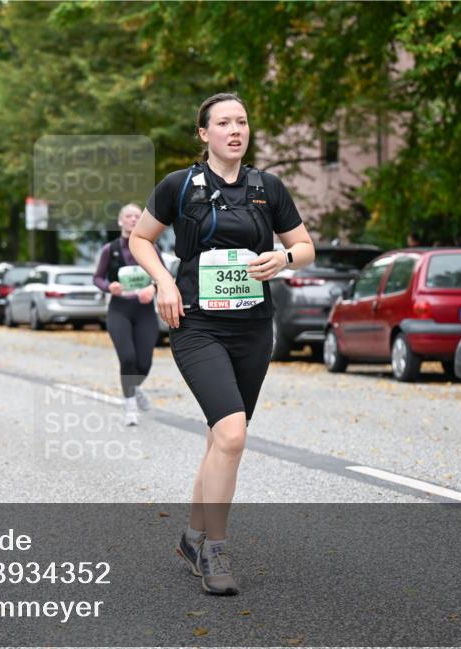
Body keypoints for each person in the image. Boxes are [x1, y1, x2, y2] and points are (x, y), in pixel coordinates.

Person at [128, 92, 314, 596]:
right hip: (197, 326)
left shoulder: (266, 187)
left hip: (253, 328)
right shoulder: (179, 186)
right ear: (203, 133)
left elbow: (305, 245)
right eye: (224, 123)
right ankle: (215, 548)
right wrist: (165, 282)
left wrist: (285, 259)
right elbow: (140, 239)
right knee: (232, 435)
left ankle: (192, 537)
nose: (236, 130)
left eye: (243, 122)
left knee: (219, 436)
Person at [93, 204, 161, 426]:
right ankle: (130, 405)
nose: (133, 219)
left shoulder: (151, 248)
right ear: (121, 221)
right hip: (119, 310)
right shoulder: (110, 249)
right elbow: (97, 278)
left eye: (137, 216)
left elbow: (163, 277)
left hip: (144, 311)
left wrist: (153, 287)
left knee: (144, 363)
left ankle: (135, 387)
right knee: (128, 358)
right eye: (128, 216)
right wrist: (108, 286)